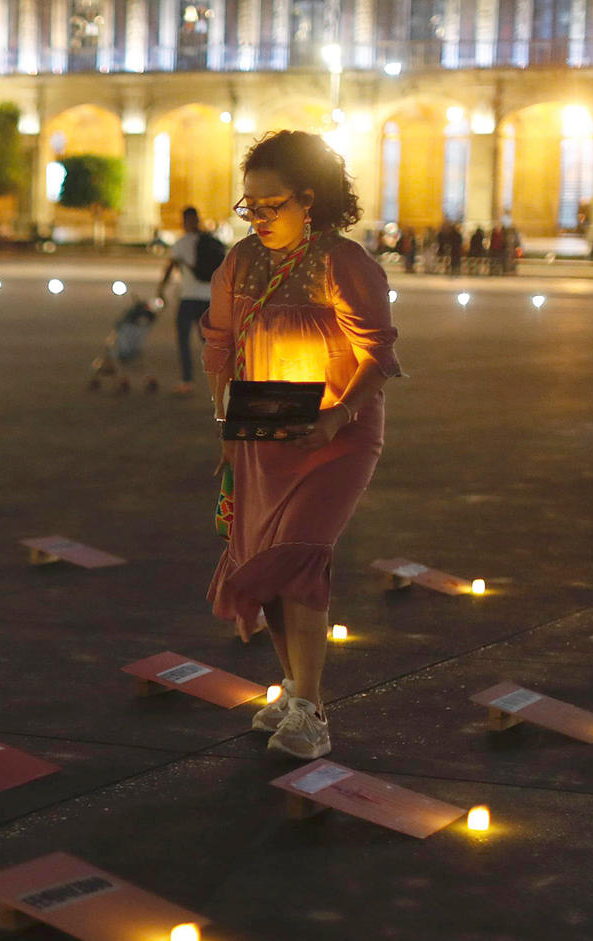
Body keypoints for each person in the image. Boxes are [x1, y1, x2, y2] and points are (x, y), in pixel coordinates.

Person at [201, 130, 401, 760]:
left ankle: (311, 714)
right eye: (249, 207)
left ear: (310, 199)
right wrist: (226, 422)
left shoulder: (344, 262)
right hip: (262, 437)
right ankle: (291, 690)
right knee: (268, 567)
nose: (257, 218)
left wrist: (337, 417)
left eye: (271, 205)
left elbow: (378, 353)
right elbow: (217, 344)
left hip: (337, 438)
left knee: (301, 555)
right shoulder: (240, 262)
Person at [155, 206, 223, 395]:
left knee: (183, 340)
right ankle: (222, 378)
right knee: (209, 342)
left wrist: (161, 289)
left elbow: (170, 268)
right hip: (209, 298)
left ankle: (187, 380)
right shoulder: (210, 241)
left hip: (188, 298)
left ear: (184, 221)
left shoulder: (182, 243)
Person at [87, 299, 160, 395]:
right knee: (137, 365)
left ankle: (119, 379)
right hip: (134, 349)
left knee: (110, 359)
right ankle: (144, 379)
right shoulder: (146, 325)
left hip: (121, 350)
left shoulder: (125, 325)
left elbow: (118, 338)